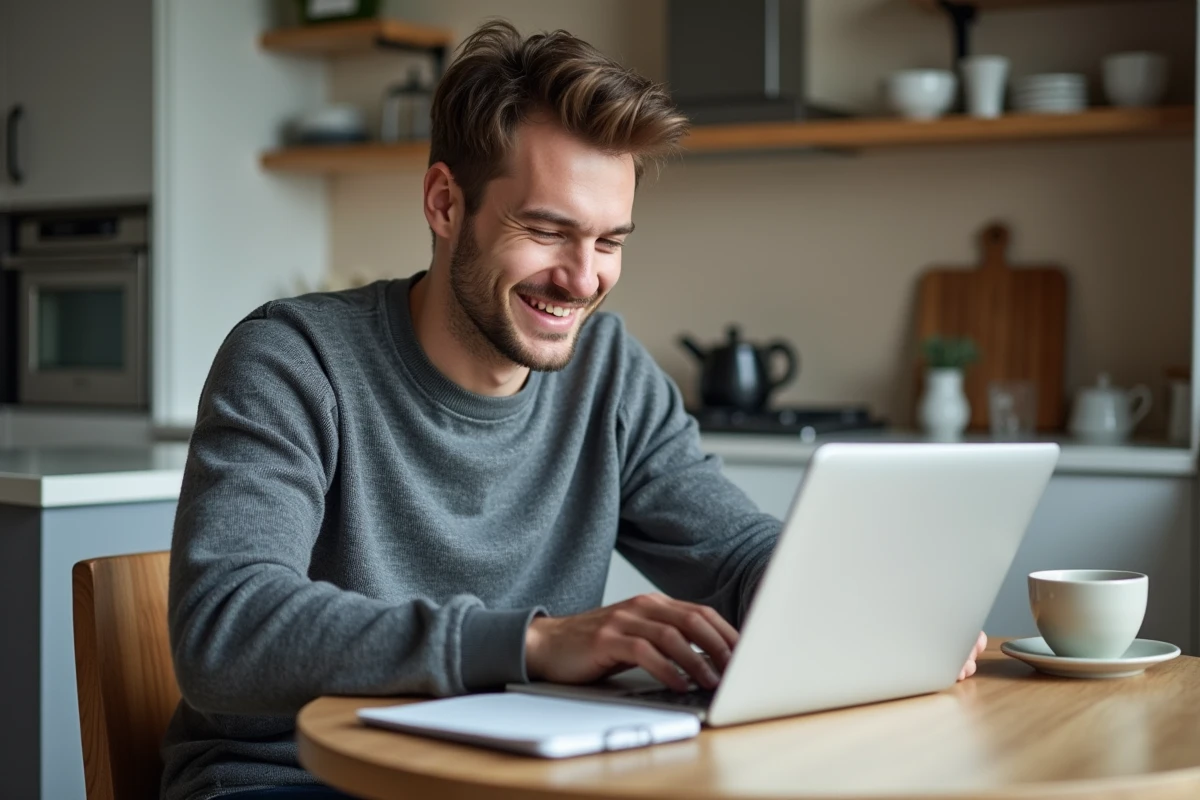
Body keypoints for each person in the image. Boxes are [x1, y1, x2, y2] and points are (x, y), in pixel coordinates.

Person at [161, 20, 987, 800]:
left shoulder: (608, 373)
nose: (584, 278)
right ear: (445, 204)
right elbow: (225, 628)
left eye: (610, 241)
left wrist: (864, 604)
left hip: (517, 775)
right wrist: (535, 642)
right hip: (293, 777)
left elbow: (735, 553)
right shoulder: (294, 359)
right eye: (547, 230)